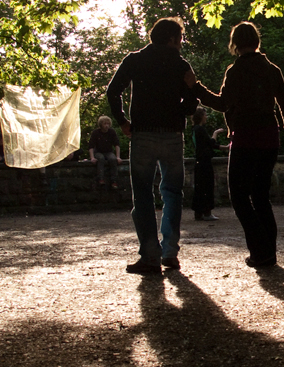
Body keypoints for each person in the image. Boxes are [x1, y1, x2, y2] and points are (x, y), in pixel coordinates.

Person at [189, 21, 284, 269]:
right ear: (256, 41)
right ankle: (268, 254)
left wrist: (196, 88)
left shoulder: (236, 71)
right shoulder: (272, 69)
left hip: (245, 138)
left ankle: (260, 252)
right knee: (261, 197)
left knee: (240, 197)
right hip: (268, 137)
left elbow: (222, 104)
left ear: (235, 44)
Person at [107, 17, 199, 275]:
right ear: (171, 38)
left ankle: (149, 255)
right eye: (179, 38)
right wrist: (181, 105)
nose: (181, 42)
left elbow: (113, 91)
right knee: (172, 193)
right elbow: (192, 105)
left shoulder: (134, 60)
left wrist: (123, 121)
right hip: (172, 134)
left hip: (143, 133)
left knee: (143, 195)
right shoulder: (180, 64)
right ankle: (170, 252)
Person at [191, 107, 226, 221]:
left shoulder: (195, 129)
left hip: (199, 162)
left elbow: (209, 144)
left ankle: (199, 213)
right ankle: (207, 212)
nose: (206, 117)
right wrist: (216, 133)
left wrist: (225, 148)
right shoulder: (200, 129)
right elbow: (211, 142)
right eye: (205, 115)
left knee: (199, 187)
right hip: (204, 163)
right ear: (201, 116)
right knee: (207, 187)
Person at [88, 115, 122, 189]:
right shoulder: (96, 133)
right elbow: (91, 146)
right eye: (105, 124)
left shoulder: (112, 132)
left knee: (113, 159)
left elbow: (117, 144)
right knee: (101, 159)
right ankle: (101, 178)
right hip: (98, 152)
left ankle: (114, 181)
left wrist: (118, 157)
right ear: (101, 124)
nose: (106, 126)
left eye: (108, 124)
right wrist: (92, 157)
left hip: (108, 151)